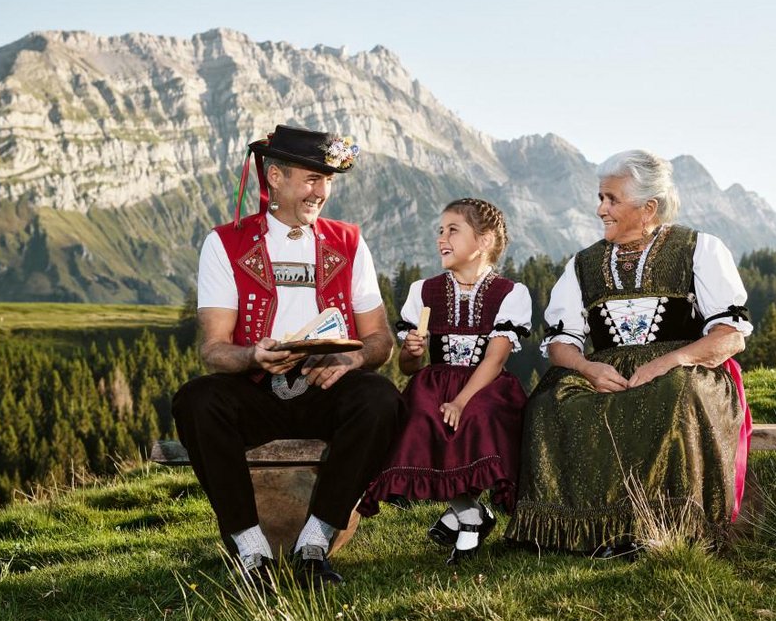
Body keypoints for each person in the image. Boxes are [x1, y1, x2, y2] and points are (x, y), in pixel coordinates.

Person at [172, 124, 401, 588]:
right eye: (312, 179)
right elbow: (214, 349)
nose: (322, 191)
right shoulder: (224, 243)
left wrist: (351, 361)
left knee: (381, 398)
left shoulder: (350, 243)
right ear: (274, 177)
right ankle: (250, 549)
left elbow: (380, 339)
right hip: (255, 387)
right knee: (196, 400)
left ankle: (315, 543)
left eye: (328, 181)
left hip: (324, 389)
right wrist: (254, 357)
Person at [503, 149, 753, 556]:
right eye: (601, 198)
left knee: (673, 394)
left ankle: (665, 531)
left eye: (611, 199)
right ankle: (582, 531)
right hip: (605, 371)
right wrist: (586, 368)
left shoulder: (698, 248)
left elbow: (730, 336)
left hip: (684, 367)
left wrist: (671, 360)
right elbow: (561, 344)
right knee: (551, 402)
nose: (600, 209)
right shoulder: (583, 264)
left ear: (648, 207)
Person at [359, 199, 531, 564]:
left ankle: (464, 515)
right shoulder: (424, 291)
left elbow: (495, 359)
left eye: (453, 230)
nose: (442, 238)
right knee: (422, 415)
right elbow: (408, 367)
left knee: (478, 415)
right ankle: (469, 515)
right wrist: (413, 351)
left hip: (487, 383)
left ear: (483, 242)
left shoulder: (510, 293)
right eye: (440, 230)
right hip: (436, 381)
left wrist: (462, 400)